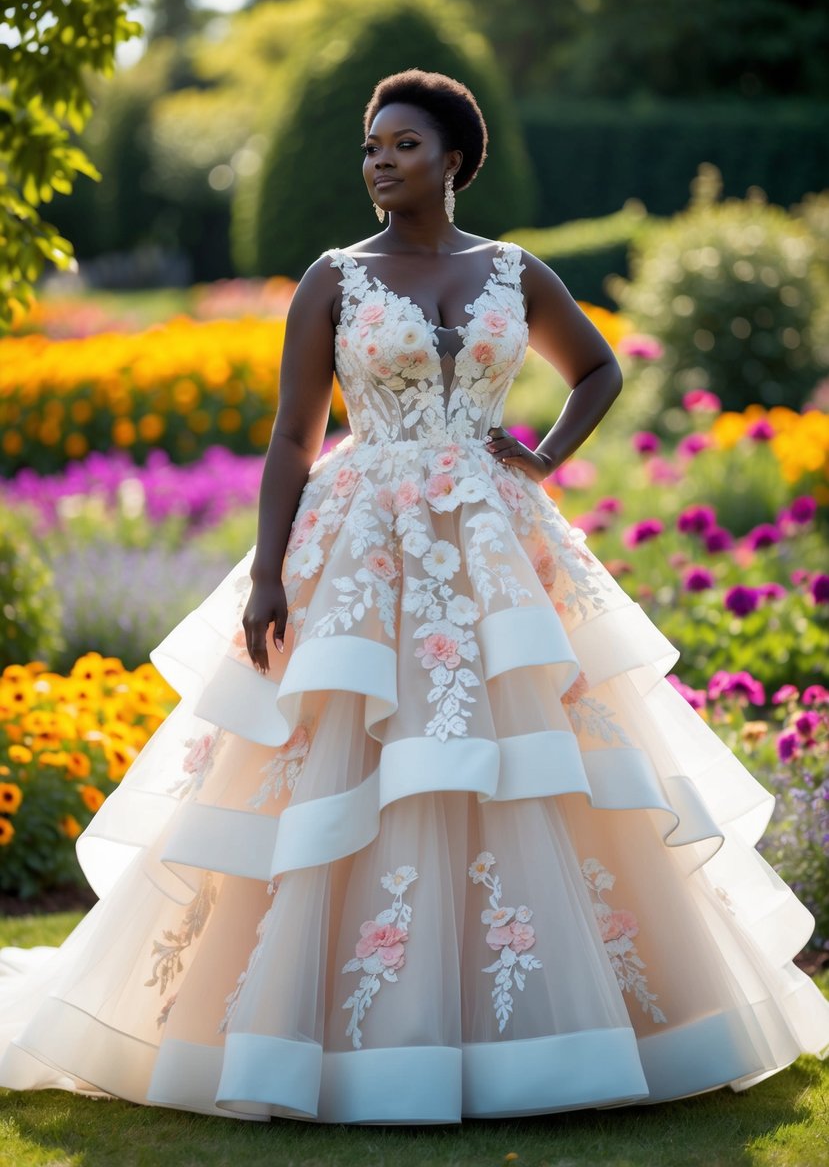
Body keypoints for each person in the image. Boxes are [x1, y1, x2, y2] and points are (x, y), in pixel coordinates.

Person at [0, 68, 827, 1125]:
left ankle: (552, 1030)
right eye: (369, 146)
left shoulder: (513, 272)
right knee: (346, 769)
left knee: (533, 762)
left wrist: (539, 457)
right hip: (361, 547)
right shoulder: (332, 280)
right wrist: (264, 573)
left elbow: (598, 370)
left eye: (400, 144)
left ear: (452, 158)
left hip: (494, 544)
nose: (379, 161)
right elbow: (294, 435)